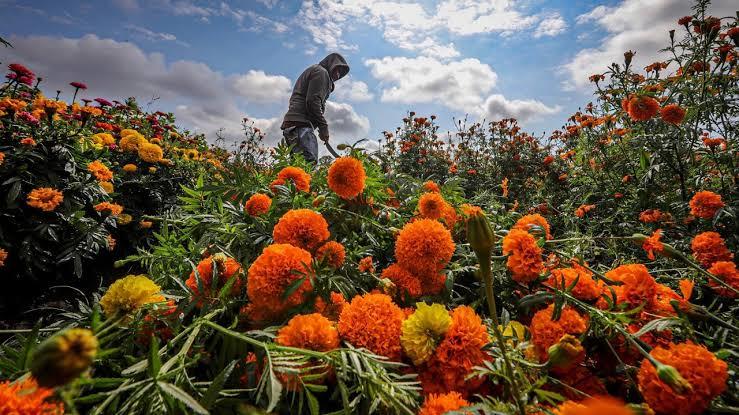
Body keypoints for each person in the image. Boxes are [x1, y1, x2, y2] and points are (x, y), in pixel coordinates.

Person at [280, 53, 349, 163]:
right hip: (300, 125)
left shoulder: (318, 72)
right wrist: (323, 126)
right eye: (337, 70)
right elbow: (313, 101)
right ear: (331, 64)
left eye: (341, 73)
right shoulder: (321, 72)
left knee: (298, 166)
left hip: (296, 125)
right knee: (308, 163)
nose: (338, 75)